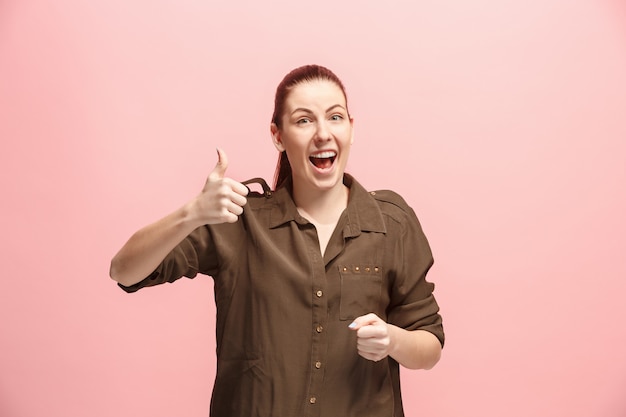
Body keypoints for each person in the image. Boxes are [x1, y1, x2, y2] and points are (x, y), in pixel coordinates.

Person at [110, 64, 444, 417]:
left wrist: (393, 340)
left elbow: (430, 345)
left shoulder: (391, 222)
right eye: (303, 121)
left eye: (335, 117)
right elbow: (124, 271)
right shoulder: (238, 221)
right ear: (278, 135)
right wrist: (192, 213)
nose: (322, 134)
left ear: (351, 128)